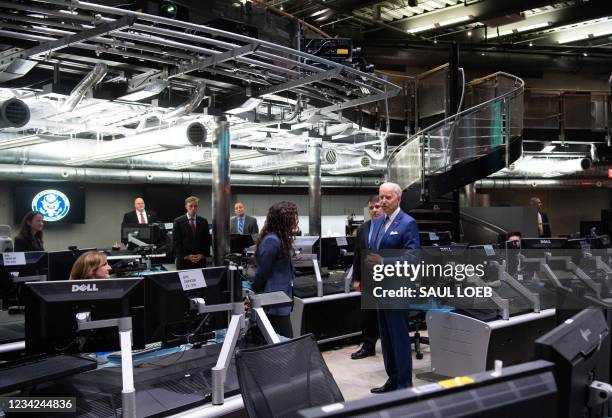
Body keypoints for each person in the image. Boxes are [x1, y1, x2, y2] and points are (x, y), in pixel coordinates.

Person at [367, 182, 420, 393]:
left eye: (387, 198)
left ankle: (405, 384)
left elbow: (413, 258)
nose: (382, 202)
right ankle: (392, 379)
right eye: (381, 197)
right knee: (386, 338)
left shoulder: (408, 223)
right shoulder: (379, 222)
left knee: (398, 337)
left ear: (398, 199)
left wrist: (385, 263)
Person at [253, 201, 298, 339]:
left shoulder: (280, 238)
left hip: (279, 300)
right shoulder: (272, 240)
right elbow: (262, 273)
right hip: (273, 303)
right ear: (282, 220)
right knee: (284, 343)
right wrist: (254, 292)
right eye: (292, 218)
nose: (295, 222)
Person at [350, 195, 383, 360]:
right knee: (368, 315)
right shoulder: (363, 228)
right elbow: (357, 256)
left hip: (388, 277)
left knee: (387, 314)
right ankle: (368, 346)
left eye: (377, 206)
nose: (374, 210)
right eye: (371, 208)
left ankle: (391, 347)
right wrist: (357, 279)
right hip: (369, 277)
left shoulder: (389, 227)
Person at [173, 196, 211, 270]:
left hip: (200, 261)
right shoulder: (178, 221)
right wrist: (186, 256)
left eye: (195, 206)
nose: (193, 208)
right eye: (191, 206)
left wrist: (202, 255)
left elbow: (207, 240)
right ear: (186, 207)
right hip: (184, 261)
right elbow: (176, 242)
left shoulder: (203, 221)